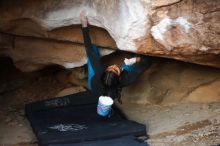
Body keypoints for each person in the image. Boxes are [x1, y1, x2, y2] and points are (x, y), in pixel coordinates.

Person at [80, 12, 151, 103]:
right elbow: (148, 62)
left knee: (92, 52)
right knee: (127, 67)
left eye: (111, 67)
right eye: (115, 69)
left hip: (94, 86)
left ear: (104, 70)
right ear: (119, 77)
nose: (113, 65)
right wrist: (136, 59)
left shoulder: (98, 72)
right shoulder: (127, 79)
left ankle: (103, 108)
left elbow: (89, 50)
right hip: (106, 91)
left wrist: (84, 26)